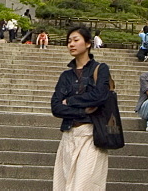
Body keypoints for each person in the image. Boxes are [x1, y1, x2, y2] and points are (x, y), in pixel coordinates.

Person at [50, 25, 112, 190]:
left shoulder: (101, 69)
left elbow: (99, 96)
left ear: (88, 43)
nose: (71, 44)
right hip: (69, 134)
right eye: (69, 41)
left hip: (91, 135)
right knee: (63, 185)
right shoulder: (66, 76)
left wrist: (70, 101)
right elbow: (55, 106)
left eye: (76, 40)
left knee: (83, 185)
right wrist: (83, 109)